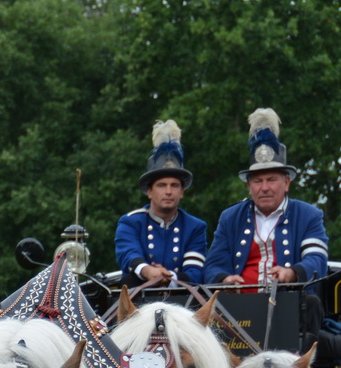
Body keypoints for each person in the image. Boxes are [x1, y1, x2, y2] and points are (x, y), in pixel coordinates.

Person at [206, 109, 329, 290]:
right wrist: (224, 280)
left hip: (291, 307)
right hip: (238, 311)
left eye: (271, 180)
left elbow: (317, 260)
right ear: (249, 187)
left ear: (286, 183)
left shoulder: (308, 215)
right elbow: (213, 266)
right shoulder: (230, 217)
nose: (264, 188)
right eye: (257, 181)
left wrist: (292, 273)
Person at [115, 120, 208, 287]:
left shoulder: (195, 227)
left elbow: (195, 273)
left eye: (174, 185)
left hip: (181, 301)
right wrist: (148, 271)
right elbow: (128, 255)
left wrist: (167, 276)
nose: (168, 191)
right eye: (161, 185)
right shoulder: (130, 221)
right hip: (139, 297)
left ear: (182, 192)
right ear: (149, 191)